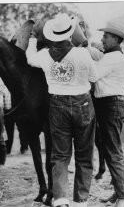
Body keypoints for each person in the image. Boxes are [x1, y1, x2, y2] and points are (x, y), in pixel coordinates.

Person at [26, 13, 97, 207]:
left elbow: (30, 59)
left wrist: (32, 38)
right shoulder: (82, 53)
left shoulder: (44, 55)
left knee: (59, 156)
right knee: (84, 154)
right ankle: (81, 201)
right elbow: (94, 76)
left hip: (57, 104)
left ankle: (60, 199)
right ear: (70, 33)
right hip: (82, 103)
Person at [89, 16, 124, 207]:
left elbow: (94, 74)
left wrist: (84, 53)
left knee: (113, 152)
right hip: (107, 105)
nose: (103, 39)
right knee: (110, 150)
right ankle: (118, 193)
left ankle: (123, 196)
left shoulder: (112, 57)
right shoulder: (112, 55)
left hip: (110, 105)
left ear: (115, 39)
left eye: (106, 36)